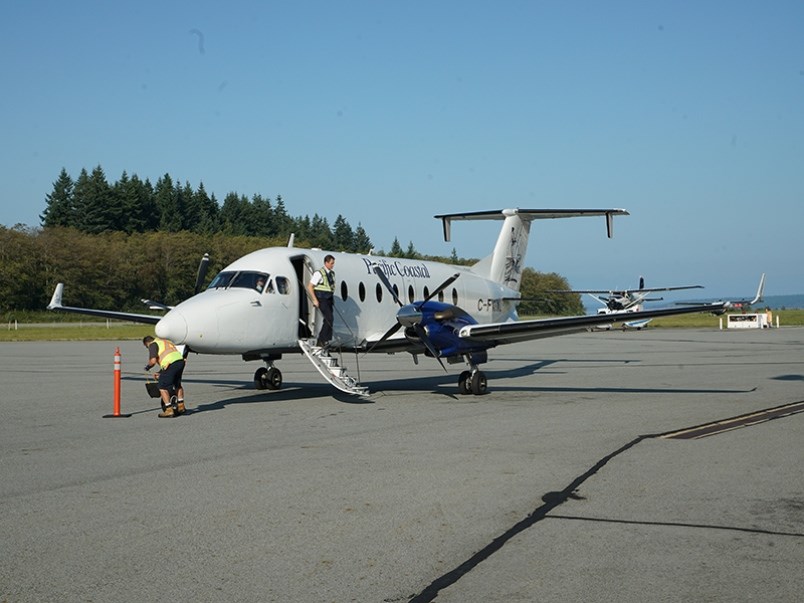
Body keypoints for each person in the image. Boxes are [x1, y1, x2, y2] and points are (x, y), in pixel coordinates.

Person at [143, 335, 186, 417]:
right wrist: (160, 372)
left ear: (147, 344)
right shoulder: (165, 342)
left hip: (171, 364)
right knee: (177, 384)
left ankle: (169, 410)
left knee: (162, 386)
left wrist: (147, 367)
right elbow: (169, 359)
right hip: (180, 362)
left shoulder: (153, 344)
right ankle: (181, 406)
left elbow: (153, 361)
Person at [307, 254, 336, 348]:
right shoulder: (319, 273)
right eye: (331, 263)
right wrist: (315, 300)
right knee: (329, 318)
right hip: (321, 298)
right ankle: (321, 340)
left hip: (329, 299)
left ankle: (326, 339)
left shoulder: (332, 274)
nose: (332, 265)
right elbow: (310, 287)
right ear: (326, 263)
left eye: (333, 263)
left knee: (330, 319)